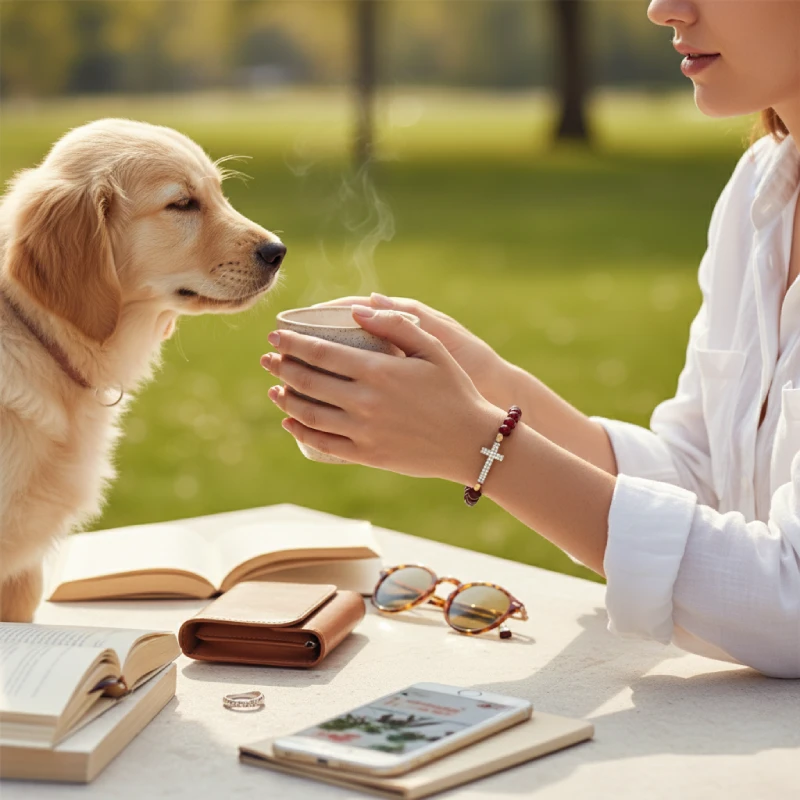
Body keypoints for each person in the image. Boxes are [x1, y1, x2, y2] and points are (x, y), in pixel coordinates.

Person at [261, 0, 800, 678]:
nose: (663, 9)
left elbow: (791, 599)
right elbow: (700, 485)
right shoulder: (760, 190)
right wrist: (489, 380)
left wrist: (480, 448)